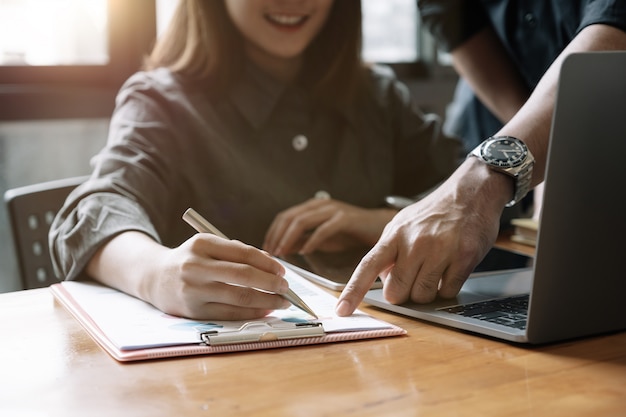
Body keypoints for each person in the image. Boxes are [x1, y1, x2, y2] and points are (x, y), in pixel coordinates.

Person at [49, 0, 460, 321]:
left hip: (386, 356)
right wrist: (157, 274)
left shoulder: (376, 96)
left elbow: (473, 188)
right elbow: (96, 210)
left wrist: (380, 223)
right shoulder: (162, 103)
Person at [335, 0, 626, 316]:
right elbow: (450, 17)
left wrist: (483, 180)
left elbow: (615, 24)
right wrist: (533, 149)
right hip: (495, 121)